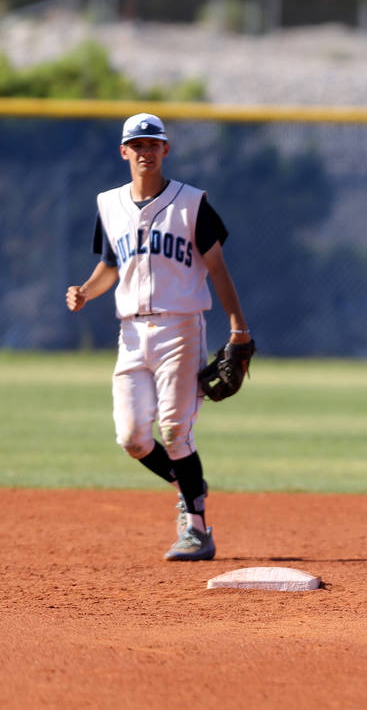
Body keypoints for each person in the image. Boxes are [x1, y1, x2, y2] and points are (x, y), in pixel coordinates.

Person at [66, 112, 252, 562]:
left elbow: (217, 268)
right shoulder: (109, 205)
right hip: (130, 332)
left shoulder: (192, 203)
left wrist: (239, 329)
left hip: (181, 327)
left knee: (173, 429)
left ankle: (197, 529)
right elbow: (111, 266)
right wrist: (86, 291)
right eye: (138, 144)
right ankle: (190, 485)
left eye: (154, 144)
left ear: (165, 150)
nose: (146, 151)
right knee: (132, 438)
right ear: (124, 151)